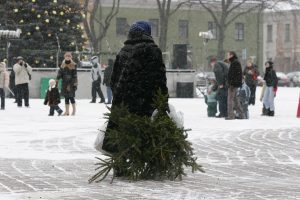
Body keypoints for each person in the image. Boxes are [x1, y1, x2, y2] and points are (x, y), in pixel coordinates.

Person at [102, 20, 168, 154]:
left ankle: (121, 163)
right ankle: (147, 161)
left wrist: (120, 94)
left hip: (123, 102)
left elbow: (114, 79)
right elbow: (159, 78)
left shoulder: (123, 51)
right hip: (145, 100)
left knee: (123, 134)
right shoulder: (153, 50)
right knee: (145, 135)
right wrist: (163, 100)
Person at [226, 51, 245, 120]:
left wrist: (231, 84)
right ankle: (241, 115)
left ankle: (231, 115)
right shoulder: (234, 62)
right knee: (235, 100)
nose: (227, 56)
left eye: (228, 55)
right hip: (234, 84)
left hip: (233, 85)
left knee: (230, 100)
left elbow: (235, 75)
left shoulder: (235, 62)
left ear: (231, 55)